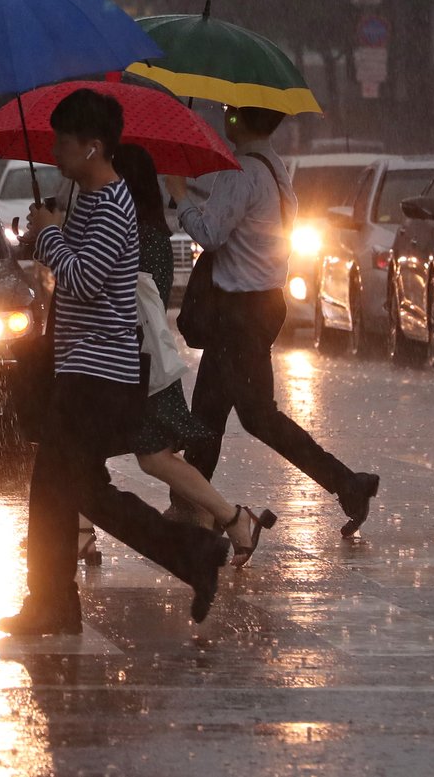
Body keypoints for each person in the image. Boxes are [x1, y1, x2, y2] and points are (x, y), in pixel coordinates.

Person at [0, 89, 231, 638]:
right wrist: (47, 233)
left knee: (64, 487)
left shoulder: (110, 204)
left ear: (92, 147)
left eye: (63, 141)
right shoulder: (89, 198)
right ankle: (65, 597)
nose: (53, 151)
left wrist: (49, 236)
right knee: (72, 488)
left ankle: (62, 599)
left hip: (98, 377)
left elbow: (84, 278)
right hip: (83, 370)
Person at [164, 106, 381, 536]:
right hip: (259, 305)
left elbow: (209, 234)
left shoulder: (242, 170)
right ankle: (189, 505)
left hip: (240, 313)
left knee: (257, 416)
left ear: (239, 120)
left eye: (229, 111)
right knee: (207, 412)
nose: (224, 116)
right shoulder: (274, 167)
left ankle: (348, 484)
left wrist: (180, 196)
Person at [76, 145, 277, 568]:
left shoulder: (135, 235)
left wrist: (59, 242)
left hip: (131, 366)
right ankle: (81, 534)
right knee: (126, 453)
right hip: (129, 362)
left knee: (137, 454)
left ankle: (229, 520)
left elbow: (104, 288)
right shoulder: (146, 232)